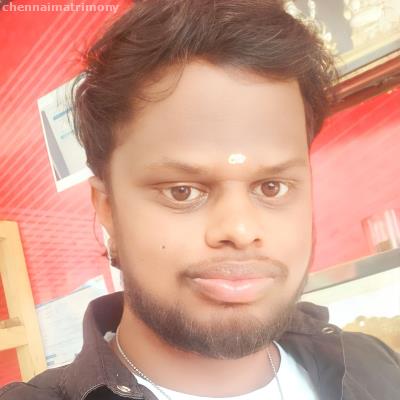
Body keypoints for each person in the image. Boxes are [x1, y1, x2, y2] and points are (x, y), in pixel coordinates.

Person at [1, 1, 399, 399]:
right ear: (107, 208)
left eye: (272, 187)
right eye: (182, 191)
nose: (240, 230)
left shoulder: (374, 366)